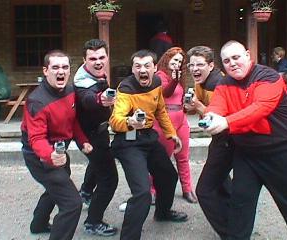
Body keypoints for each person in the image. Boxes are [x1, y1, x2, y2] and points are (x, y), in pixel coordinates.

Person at [203, 40, 287, 239]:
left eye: (236, 57)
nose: (233, 63)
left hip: (282, 153)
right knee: (240, 208)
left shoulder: (268, 76)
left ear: (247, 55)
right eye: (227, 61)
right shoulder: (224, 83)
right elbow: (217, 106)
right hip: (247, 154)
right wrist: (211, 117)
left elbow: (260, 108)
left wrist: (227, 122)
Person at [110, 49, 188, 240]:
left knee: (169, 176)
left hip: (148, 137)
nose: (142, 70)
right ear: (133, 69)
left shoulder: (156, 83)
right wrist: (129, 123)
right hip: (128, 140)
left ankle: (162, 213)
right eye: (137, 66)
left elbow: (161, 110)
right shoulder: (125, 88)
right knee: (143, 192)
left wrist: (171, 133)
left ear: (154, 68)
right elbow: (115, 120)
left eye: (146, 66)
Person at [21, 49, 93, 240]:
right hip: (39, 156)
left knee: (59, 185)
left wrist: (82, 140)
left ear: (70, 70)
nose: (60, 71)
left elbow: (73, 120)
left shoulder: (70, 91)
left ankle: (38, 224)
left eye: (64, 67)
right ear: (45, 71)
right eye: (55, 67)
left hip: (59, 150)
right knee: (72, 203)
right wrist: (49, 155)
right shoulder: (37, 101)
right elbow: (36, 139)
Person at [184, 46, 233, 238]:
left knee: (204, 190)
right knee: (222, 182)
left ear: (211, 65)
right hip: (220, 140)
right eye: (192, 65)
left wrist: (198, 106)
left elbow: (217, 119)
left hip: (229, 140)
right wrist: (192, 107)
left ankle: (230, 233)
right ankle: (235, 219)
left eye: (200, 65)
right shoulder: (201, 82)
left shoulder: (218, 85)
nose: (195, 68)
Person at [73, 39, 118, 237]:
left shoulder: (97, 73)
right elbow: (88, 99)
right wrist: (102, 100)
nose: (98, 62)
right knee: (109, 178)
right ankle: (93, 222)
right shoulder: (82, 82)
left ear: (107, 57)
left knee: (97, 164)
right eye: (92, 58)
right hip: (88, 136)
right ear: (84, 60)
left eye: (101, 57)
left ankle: (86, 191)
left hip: (99, 132)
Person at [152, 46, 197, 203]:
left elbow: (178, 97)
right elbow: (166, 92)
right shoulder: (159, 75)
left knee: (183, 156)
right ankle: (153, 189)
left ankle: (187, 189)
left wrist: (189, 105)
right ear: (167, 58)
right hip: (165, 120)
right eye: (175, 59)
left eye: (180, 61)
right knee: (161, 158)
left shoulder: (179, 77)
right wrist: (175, 79)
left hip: (181, 118)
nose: (177, 63)